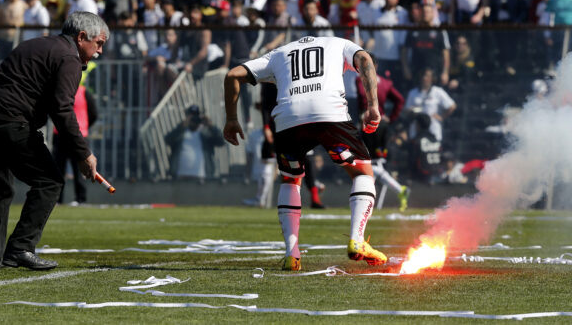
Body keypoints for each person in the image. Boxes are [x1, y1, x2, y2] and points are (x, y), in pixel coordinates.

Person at [223, 35, 386, 271]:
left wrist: (231, 119)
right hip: (329, 112)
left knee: (290, 180)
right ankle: (357, 240)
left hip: (289, 118)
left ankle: (292, 253)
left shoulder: (278, 53)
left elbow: (232, 75)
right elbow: (364, 58)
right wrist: (373, 105)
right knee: (362, 173)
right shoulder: (338, 42)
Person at [0, 12, 107, 270]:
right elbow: (62, 109)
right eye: (99, 43)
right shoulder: (70, 58)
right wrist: (84, 154)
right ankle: (20, 248)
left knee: (0, 184)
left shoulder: (37, 43)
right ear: (82, 37)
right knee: (50, 181)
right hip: (9, 118)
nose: (99, 51)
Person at [355, 53, 409, 211]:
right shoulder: (386, 83)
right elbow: (399, 100)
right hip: (378, 126)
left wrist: (390, 118)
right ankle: (398, 191)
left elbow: (363, 98)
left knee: (371, 164)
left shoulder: (360, 81)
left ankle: (369, 199)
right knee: (373, 164)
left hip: (373, 126)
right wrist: (390, 118)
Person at [54, 83, 97, 206]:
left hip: (78, 135)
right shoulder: (62, 90)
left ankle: (80, 199)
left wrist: (83, 126)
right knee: (58, 169)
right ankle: (57, 199)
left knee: (79, 168)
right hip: (61, 134)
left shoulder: (83, 92)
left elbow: (93, 113)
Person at [165, 105, 224, 180]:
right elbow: (168, 140)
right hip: (180, 177)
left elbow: (221, 142)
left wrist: (211, 126)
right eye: (192, 116)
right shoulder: (180, 132)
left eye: (197, 116)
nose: (194, 118)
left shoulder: (206, 133)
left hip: (202, 178)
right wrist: (181, 127)